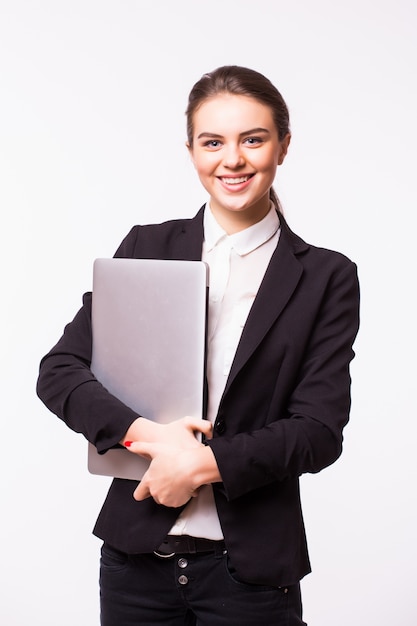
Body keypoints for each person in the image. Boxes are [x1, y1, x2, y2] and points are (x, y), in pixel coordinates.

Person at [36, 65, 360, 625]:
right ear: (191, 151)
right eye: (213, 142)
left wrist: (204, 465)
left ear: (283, 145)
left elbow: (318, 431)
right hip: (135, 563)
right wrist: (150, 438)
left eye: (252, 139)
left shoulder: (326, 276)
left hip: (250, 573)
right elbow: (60, 371)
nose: (231, 160)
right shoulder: (147, 246)